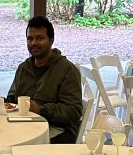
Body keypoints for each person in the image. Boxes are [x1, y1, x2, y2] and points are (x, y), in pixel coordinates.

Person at [6, 16, 83, 144]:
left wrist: (41, 109)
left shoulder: (67, 70)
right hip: (24, 125)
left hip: (58, 130)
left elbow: (74, 111)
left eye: (39, 38)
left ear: (51, 40)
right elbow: (13, 99)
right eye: (30, 39)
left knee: (16, 144)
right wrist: (0, 102)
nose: (33, 43)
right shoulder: (24, 68)